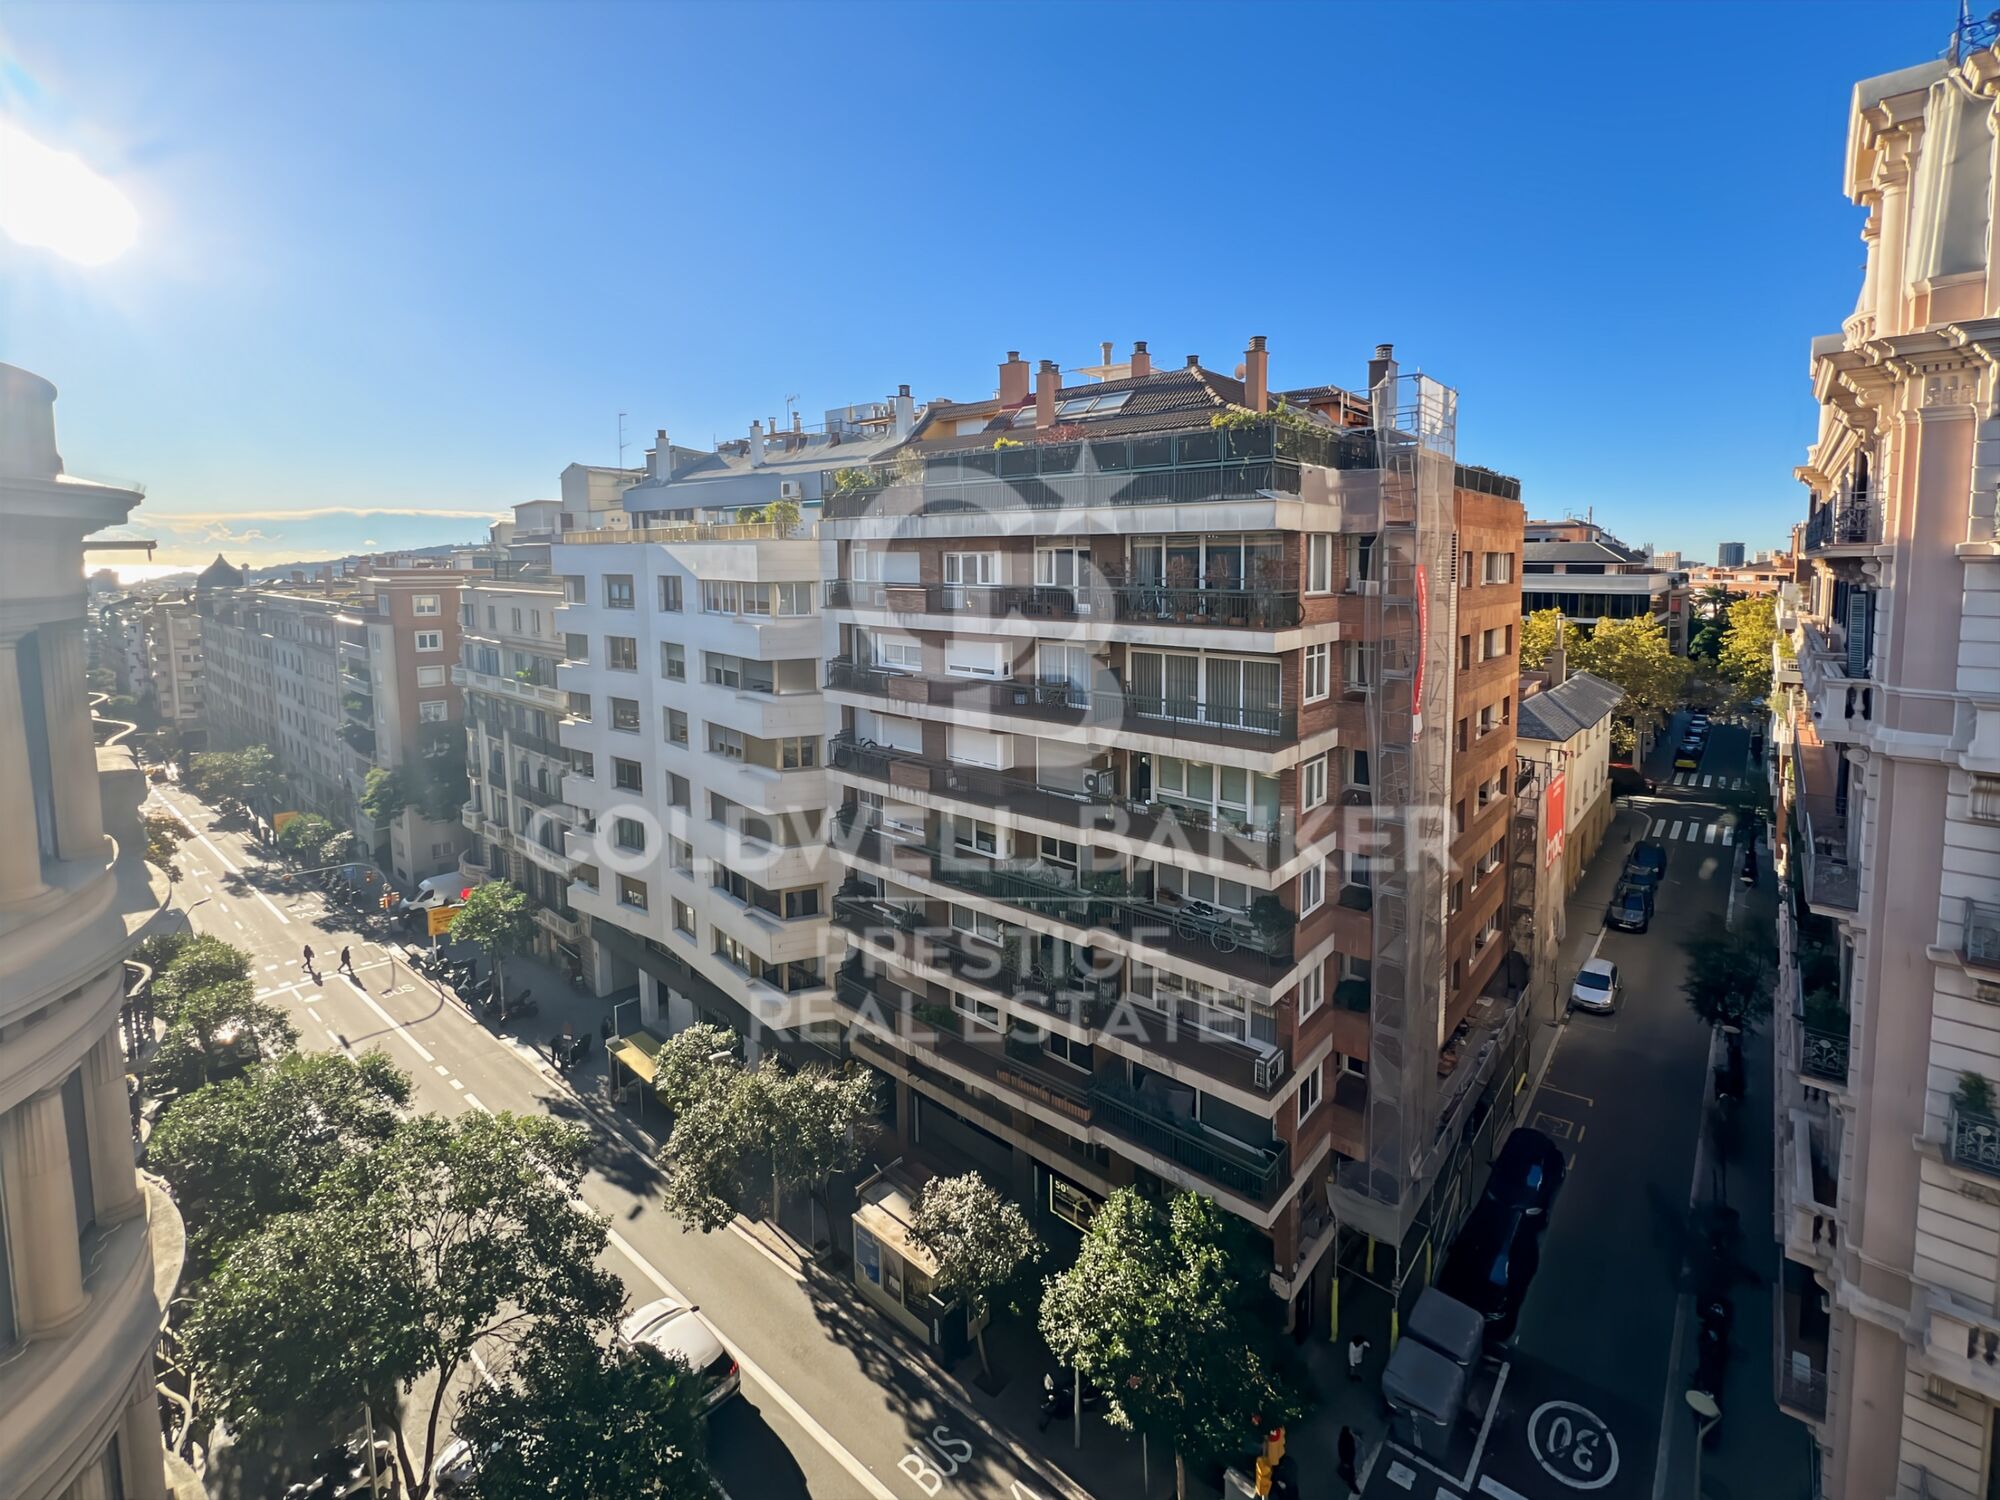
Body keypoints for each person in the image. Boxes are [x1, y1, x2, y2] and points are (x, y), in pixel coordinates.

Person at [1337, 1425, 1358, 1491]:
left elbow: (1341, 1449)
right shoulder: (1348, 1437)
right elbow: (1351, 1447)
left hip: (1347, 1457)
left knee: (1350, 1468)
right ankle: (1351, 1481)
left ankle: (1350, 1479)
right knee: (1350, 1469)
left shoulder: (1342, 1438)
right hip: (1348, 1457)